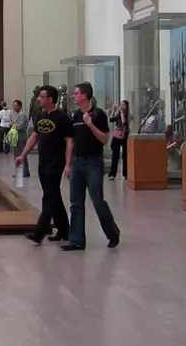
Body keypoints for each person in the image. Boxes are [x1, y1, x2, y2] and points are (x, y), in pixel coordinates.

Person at [63, 82, 120, 251]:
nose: (74, 96)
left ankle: (112, 233)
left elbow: (104, 139)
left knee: (97, 200)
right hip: (77, 161)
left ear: (85, 96)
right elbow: (71, 141)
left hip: (93, 162)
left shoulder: (98, 115)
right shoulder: (74, 116)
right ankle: (76, 240)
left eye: (76, 93)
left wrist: (90, 124)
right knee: (75, 202)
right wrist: (68, 164)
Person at [16, 85, 73, 244]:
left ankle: (39, 232)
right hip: (43, 161)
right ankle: (64, 230)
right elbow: (34, 137)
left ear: (50, 99)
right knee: (53, 196)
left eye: (42, 96)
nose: (38, 99)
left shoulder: (63, 119)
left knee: (48, 196)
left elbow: (69, 142)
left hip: (56, 162)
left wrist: (68, 164)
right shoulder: (40, 116)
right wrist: (22, 155)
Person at [108, 100, 130, 180]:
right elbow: (111, 119)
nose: (121, 106)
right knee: (115, 155)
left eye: (123, 104)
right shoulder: (118, 114)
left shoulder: (128, 115)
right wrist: (114, 110)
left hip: (125, 136)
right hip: (117, 136)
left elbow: (124, 122)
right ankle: (112, 174)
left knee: (125, 155)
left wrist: (121, 113)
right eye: (121, 104)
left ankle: (125, 173)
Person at [10, 99, 30, 178]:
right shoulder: (19, 114)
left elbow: (20, 126)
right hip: (19, 135)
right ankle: (25, 171)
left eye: (15, 105)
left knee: (19, 154)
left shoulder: (22, 114)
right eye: (13, 106)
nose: (14, 107)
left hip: (21, 136)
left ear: (19, 106)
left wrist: (13, 124)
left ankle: (21, 172)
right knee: (21, 154)